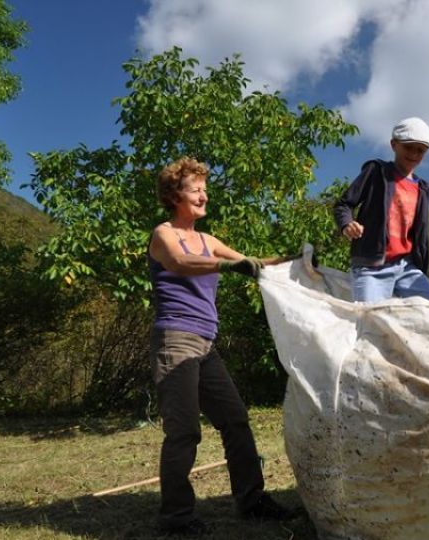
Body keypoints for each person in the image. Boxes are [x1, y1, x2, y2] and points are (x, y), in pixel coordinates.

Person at [148, 157, 289, 535]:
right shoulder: (164, 235)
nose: (203, 194)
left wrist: (296, 259)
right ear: (175, 195)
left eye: (204, 189)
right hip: (175, 340)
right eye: (195, 189)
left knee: (236, 420)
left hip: (206, 345)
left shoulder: (208, 240)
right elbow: (180, 264)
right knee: (184, 431)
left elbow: (253, 262)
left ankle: (252, 500)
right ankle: (176, 518)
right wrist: (231, 267)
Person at [333, 117, 429, 303]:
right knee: (370, 320)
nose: (414, 154)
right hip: (372, 267)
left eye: (420, 150)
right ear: (394, 144)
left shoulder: (423, 189)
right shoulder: (377, 172)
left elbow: (418, 233)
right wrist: (347, 224)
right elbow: (344, 204)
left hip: (407, 267)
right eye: (408, 147)